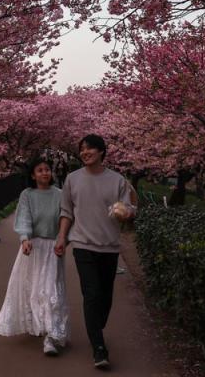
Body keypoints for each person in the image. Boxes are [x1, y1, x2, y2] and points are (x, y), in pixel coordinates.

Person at [54, 134, 135, 370]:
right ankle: (99, 348)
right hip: (83, 245)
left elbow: (129, 208)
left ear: (101, 151)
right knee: (91, 294)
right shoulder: (72, 179)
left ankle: (95, 327)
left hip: (109, 246)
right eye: (82, 149)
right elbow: (66, 211)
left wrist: (126, 212)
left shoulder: (118, 180)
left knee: (105, 298)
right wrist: (62, 238)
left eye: (90, 149)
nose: (85, 152)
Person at [0, 157, 69, 356]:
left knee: (50, 289)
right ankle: (35, 322)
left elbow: (66, 218)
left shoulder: (60, 195)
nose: (45, 173)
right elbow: (24, 216)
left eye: (47, 170)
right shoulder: (27, 195)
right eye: (40, 170)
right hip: (33, 247)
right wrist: (24, 238)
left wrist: (63, 239)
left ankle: (51, 336)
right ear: (33, 175)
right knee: (32, 287)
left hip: (53, 247)